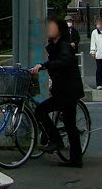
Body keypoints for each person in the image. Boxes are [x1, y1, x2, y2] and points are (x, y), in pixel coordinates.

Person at [30, 17, 85, 168]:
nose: (49, 29)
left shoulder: (64, 46)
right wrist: (44, 66)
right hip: (63, 90)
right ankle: (75, 158)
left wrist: (44, 66)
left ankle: (57, 141)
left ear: (60, 31)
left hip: (68, 91)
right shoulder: (55, 46)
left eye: (52, 27)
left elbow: (64, 62)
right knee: (69, 125)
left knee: (43, 111)